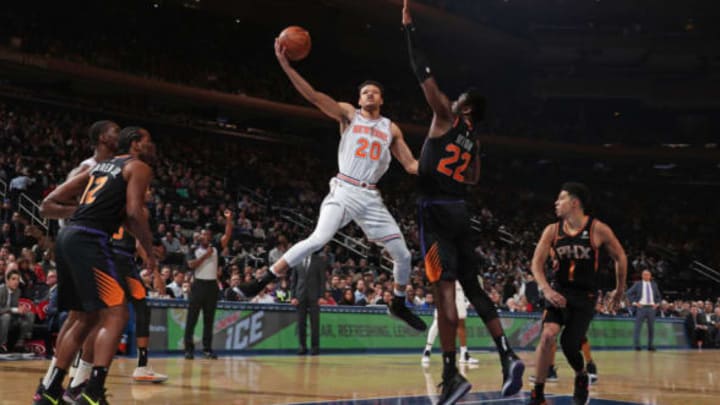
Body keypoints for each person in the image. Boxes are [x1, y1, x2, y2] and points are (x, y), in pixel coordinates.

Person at [238, 31, 426, 333]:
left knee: (403, 255)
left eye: (374, 92)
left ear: (382, 99)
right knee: (318, 238)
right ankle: (263, 279)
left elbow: (412, 166)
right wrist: (287, 66)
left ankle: (399, 302)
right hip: (344, 189)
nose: (370, 95)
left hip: (370, 198)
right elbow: (313, 96)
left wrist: (439, 162)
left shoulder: (391, 129)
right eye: (365, 92)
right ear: (358, 98)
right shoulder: (349, 115)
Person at [402, 2, 524, 402]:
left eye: (459, 99)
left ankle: (452, 375)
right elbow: (473, 177)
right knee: (474, 288)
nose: (451, 100)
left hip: (434, 213)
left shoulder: (445, 116)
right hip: (461, 211)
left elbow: (422, 70)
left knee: (443, 296)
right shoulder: (474, 139)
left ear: (465, 108)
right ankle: (507, 356)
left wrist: (409, 29)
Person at [35, 126, 158, 405]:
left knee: (82, 317)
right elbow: (134, 212)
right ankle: (92, 392)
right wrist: (149, 251)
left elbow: (47, 204)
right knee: (116, 315)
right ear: (136, 144)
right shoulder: (138, 166)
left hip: (68, 237)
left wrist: (83, 212)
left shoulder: (101, 166)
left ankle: (50, 390)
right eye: (148, 141)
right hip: (91, 240)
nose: (152, 146)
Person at [34, 120, 120, 402]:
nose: (118, 135)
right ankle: (63, 385)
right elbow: (47, 207)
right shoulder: (86, 167)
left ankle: (60, 385)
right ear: (101, 137)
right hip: (81, 245)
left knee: (88, 319)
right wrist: (84, 209)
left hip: (90, 244)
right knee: (87, 317)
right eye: (114, 131)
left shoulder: (116, 168)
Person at [527, 182, 627, 405]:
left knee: (570, 345)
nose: (556, 203)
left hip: (585, 297)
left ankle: (581, 375)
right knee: (547, 335)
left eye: (560, 199)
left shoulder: (597, 229)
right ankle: (537, 394)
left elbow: (620, 257)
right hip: (559, 292)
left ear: (574, 203)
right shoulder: (552, 230)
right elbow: (536, 264)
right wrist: (546, 289)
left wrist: (619, 290)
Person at [184, 209, 233, 360]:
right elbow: (191, 265)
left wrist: (229, 219)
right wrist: (206, 256)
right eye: (203, 234)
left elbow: (228, 235)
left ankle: (207, 349)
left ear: (210, 237)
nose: (204, 237)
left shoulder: (216, 247)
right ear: (199, 237)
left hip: (212, 286)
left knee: (209, 320)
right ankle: (189, 350)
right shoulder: (193, 250)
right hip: (198, 285)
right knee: (191, 319)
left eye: (207, 235)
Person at [421, 282, 478, 365]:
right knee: (437, 322)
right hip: (445, 287)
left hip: (459, 290)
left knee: (461, 323)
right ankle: (427, 351)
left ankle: (464, 354)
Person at [290, 250, 327, 355]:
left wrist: (322, 296)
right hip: (300, 296)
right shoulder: (297, 260)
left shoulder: (319, 261)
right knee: (301, 323)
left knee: (315, 323)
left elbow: (322, 280)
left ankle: (315, 348)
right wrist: (292, 296)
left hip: (315, 297)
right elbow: (293, 280)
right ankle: (302, 347)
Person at [0, 269, 35, 353]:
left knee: (29, 314)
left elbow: (14, 308)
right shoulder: (1, 290)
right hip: (3, 317)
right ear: (7, 280)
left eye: (18, 279)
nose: (16, 282)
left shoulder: (18, 291)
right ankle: (2, 345)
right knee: (6, 317)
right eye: (13, 279)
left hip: (11, 318)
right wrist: (14, 309)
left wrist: (21, 309)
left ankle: (20, 343)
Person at [626, 269, 662, 351]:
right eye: (644, 274)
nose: (646, 276)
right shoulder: (638, 284)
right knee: (638, 327)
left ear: (650, 276)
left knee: (651, 328)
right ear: (642, 276)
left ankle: (650, 345)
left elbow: (659, 297)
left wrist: (657, 304)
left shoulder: (654, 285)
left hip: (651, 308)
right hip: (641, 307)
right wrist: (635, 303)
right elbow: (628, 293)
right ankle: (637, 346)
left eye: (647, 274)